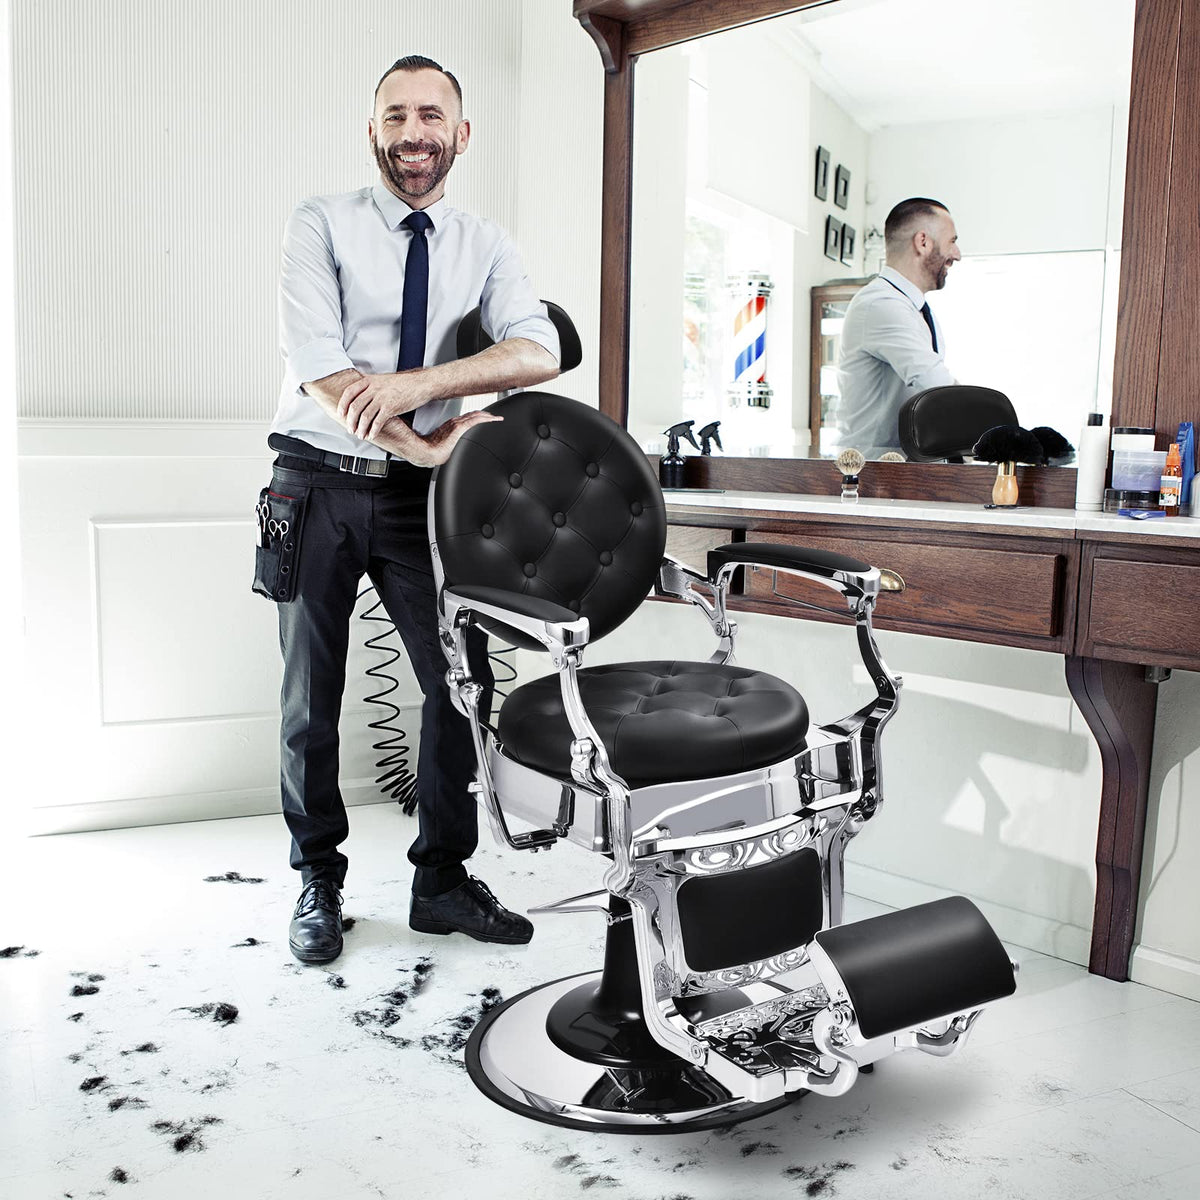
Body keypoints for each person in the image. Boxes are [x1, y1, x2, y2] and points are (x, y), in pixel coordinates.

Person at [267, 55, 561, 965]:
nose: (412, 132)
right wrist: (424, 437)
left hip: (419, 506)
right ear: (373, 132)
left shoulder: (488, 243)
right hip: (314, 478)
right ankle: (318, 880)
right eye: (394, 116)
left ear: (461, 134)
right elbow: (322, 368)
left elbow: (539, 347)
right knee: (311, 698)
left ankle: (440, 881)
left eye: (430, 115)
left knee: (457, 685)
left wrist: (420, 386)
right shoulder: (320, 222)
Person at [836, 197, 961, 456]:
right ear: (923, 242)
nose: (957, 255)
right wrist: (1000, 436)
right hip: (873, 476)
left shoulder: (914, 308)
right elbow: (937, 386)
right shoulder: (881, 304)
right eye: (952, 241)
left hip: (902, 472)